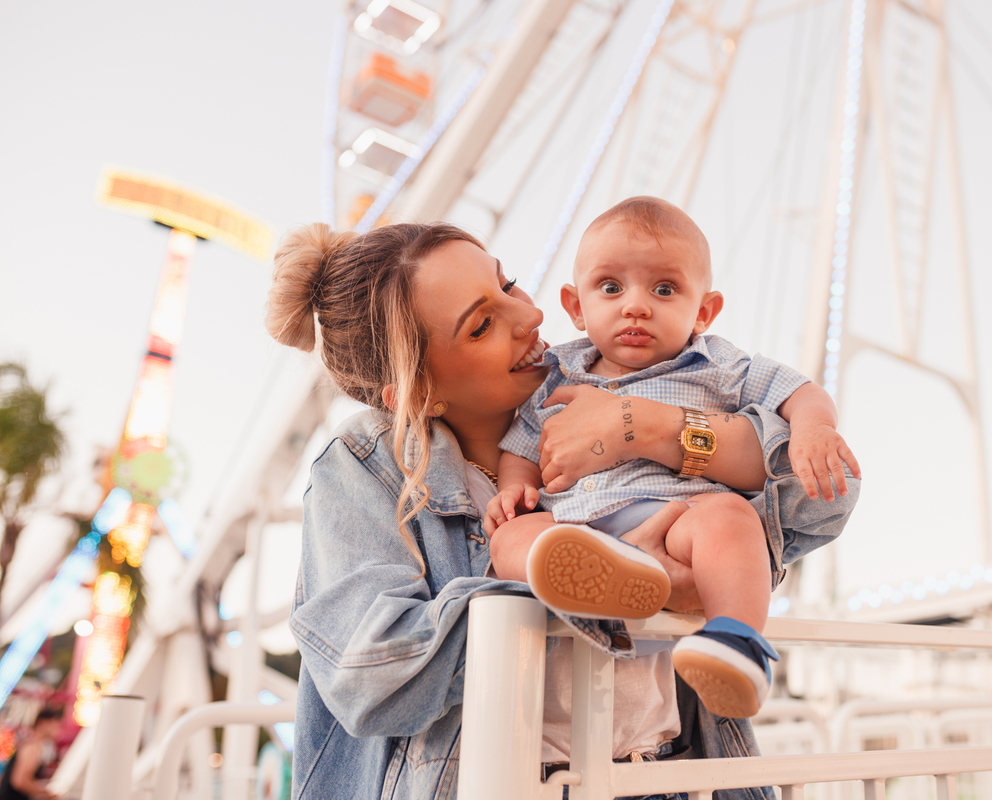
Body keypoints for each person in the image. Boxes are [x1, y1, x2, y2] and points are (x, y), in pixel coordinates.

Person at [268, 221, 859, 800]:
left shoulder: (607, 385)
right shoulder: (363, 465)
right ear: (419, 391)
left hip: (666, 775)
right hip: (501, 785)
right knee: (525, 541)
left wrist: (646, 427)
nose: (529, 314)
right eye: (482, 325)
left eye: (508, 283)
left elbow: (824, 495)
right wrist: (608, 590)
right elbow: (369, 673)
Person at [485, 197, 859, 719]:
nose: (636, 306)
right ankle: (601, 587)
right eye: (610, 287)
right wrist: (514, 488)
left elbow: (798, 390)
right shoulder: (556, 374)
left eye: (664, 289)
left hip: (679, 518)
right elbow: (523, 446)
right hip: (575, 529)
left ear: (703, 311)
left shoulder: (716, 363)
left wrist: (813, 428)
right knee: (511, 537)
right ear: (575, 306)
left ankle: (737, 642)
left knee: (730, 518)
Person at [0, 706, 61, 800]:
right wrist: (47, 794)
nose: (58, 729)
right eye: (55, 725)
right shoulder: (33, 746)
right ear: (42, 723)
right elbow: (19, 781)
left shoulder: (32, 742)